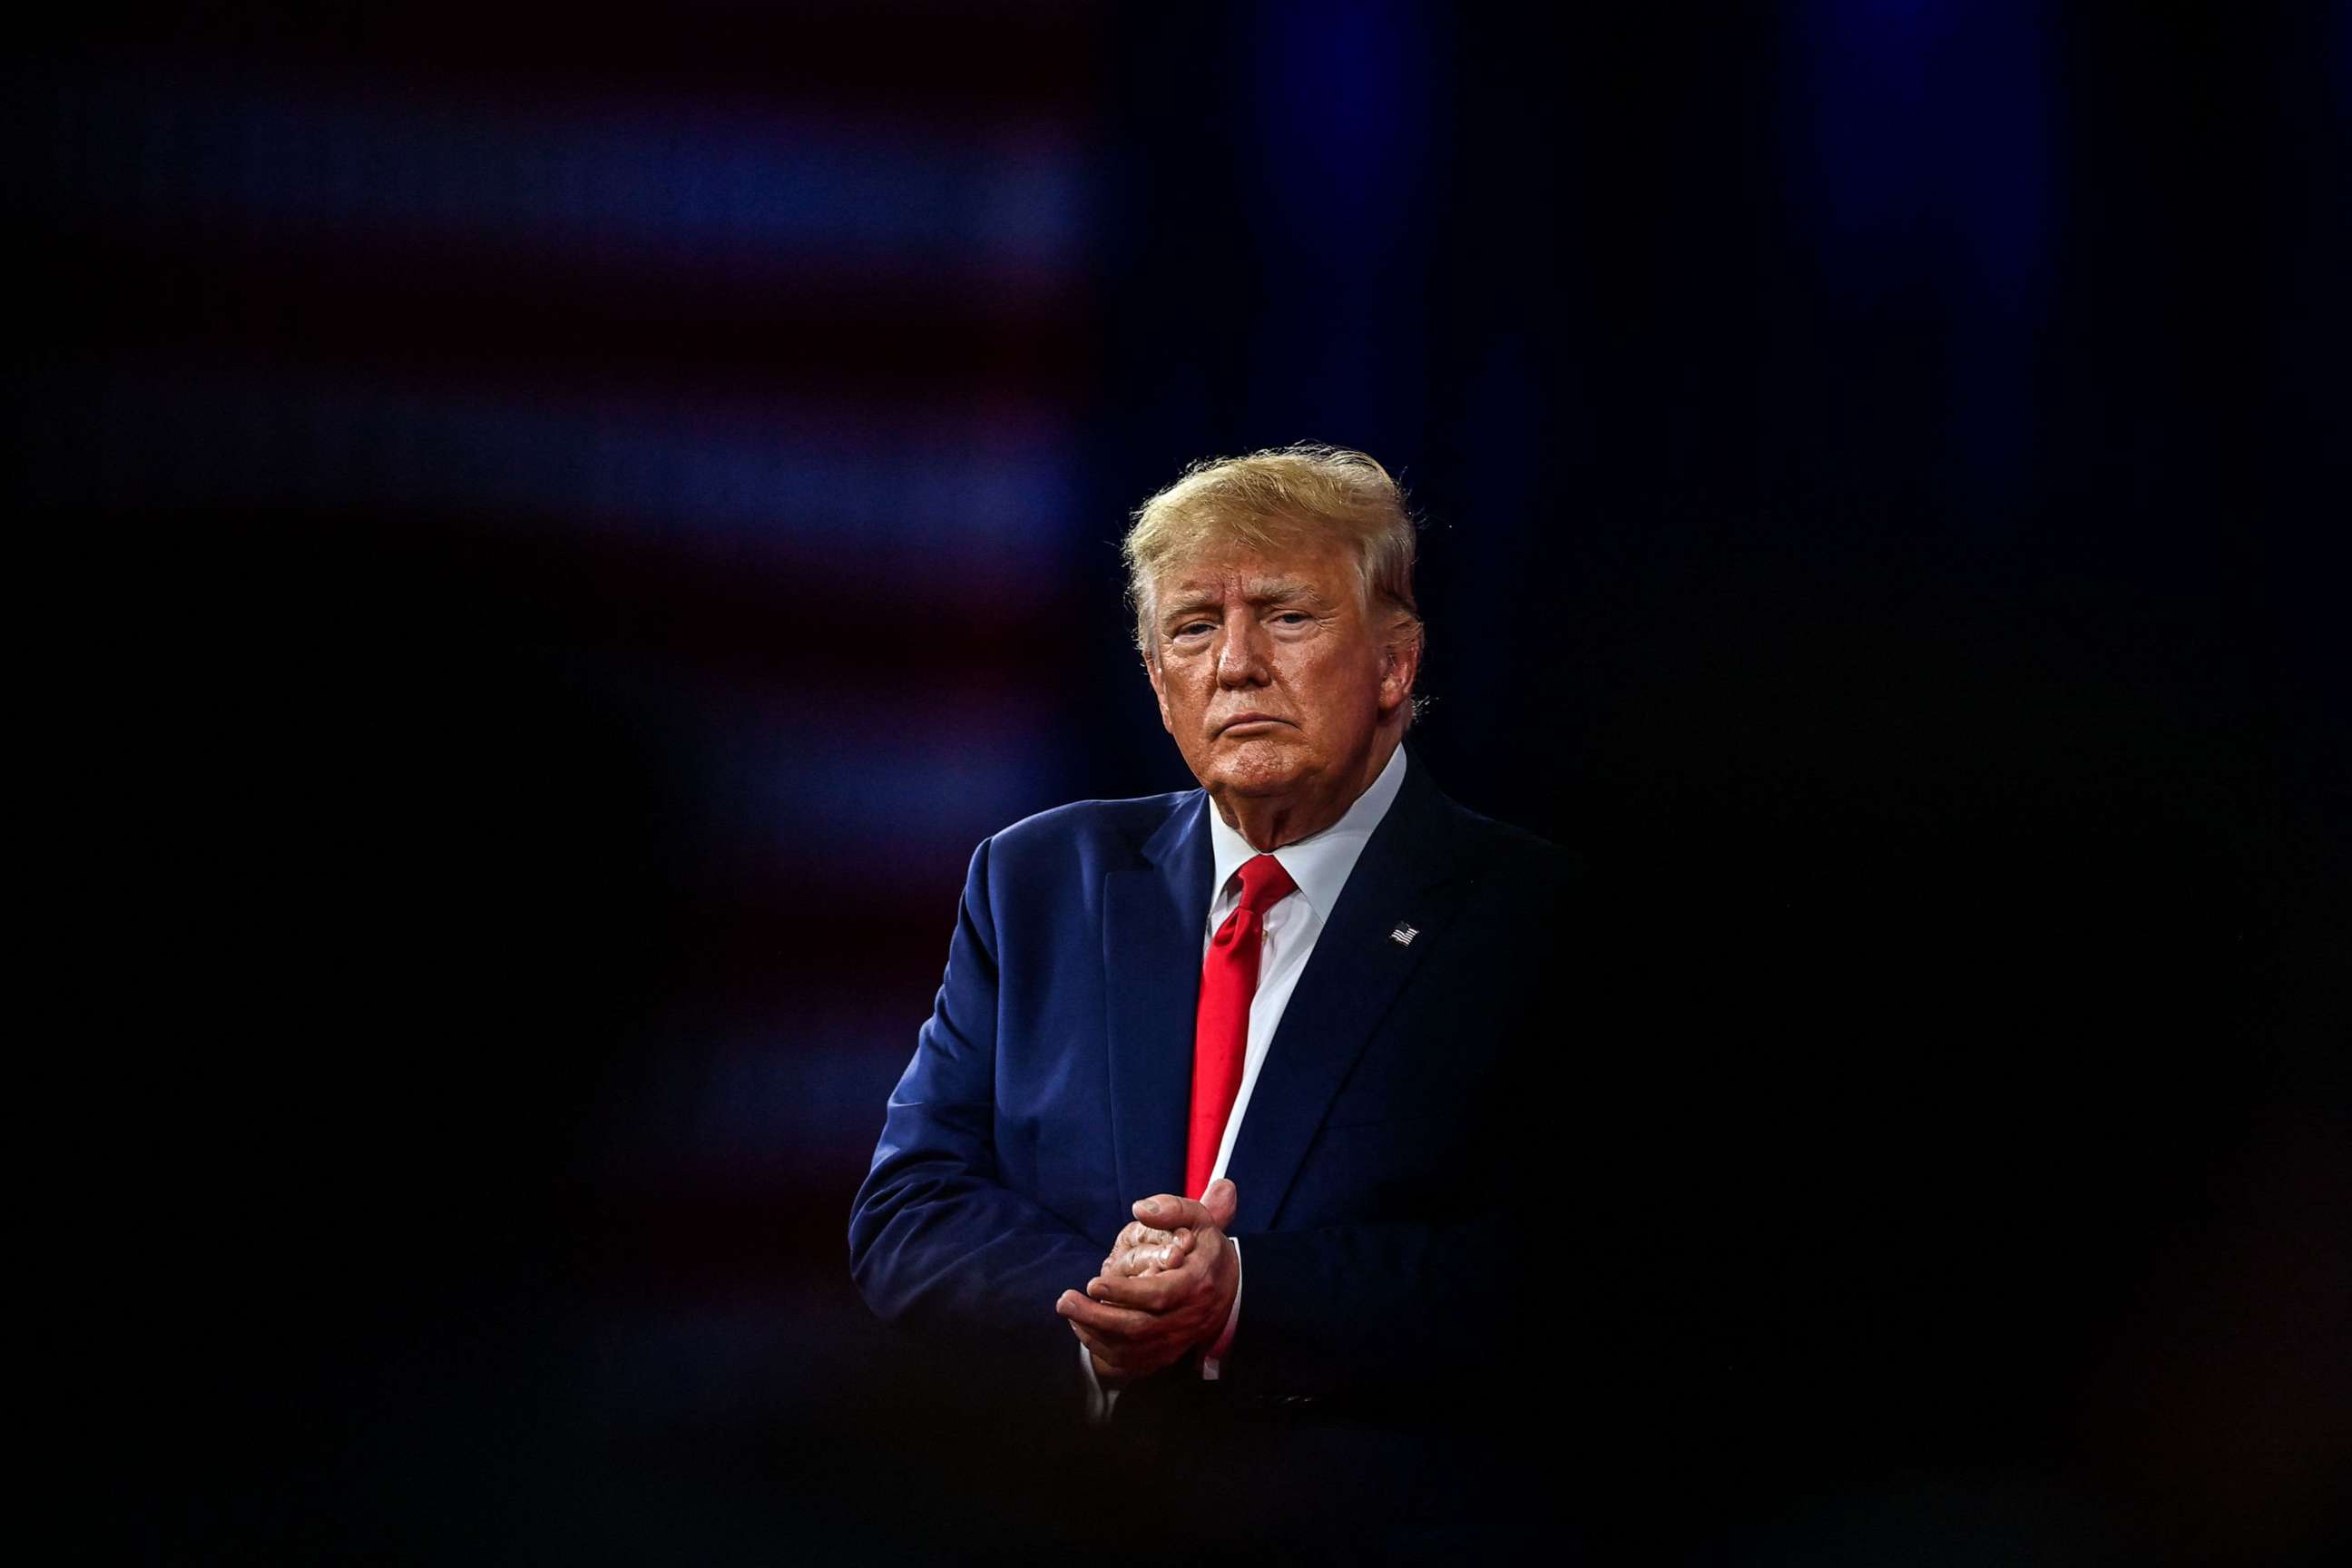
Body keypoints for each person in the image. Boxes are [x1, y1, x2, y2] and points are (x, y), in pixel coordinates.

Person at [848, 446, 1573, 1553]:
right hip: (1061, 1510)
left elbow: (1567, 1270)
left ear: (1393, 661)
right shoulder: (1038, 877)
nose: (1235, 665)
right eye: (1193, 628)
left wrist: (1239, 1292)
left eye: (1285, 616)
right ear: (1156, 681)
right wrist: (1105, 1306)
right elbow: (911, 1213)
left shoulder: (1532, 914)